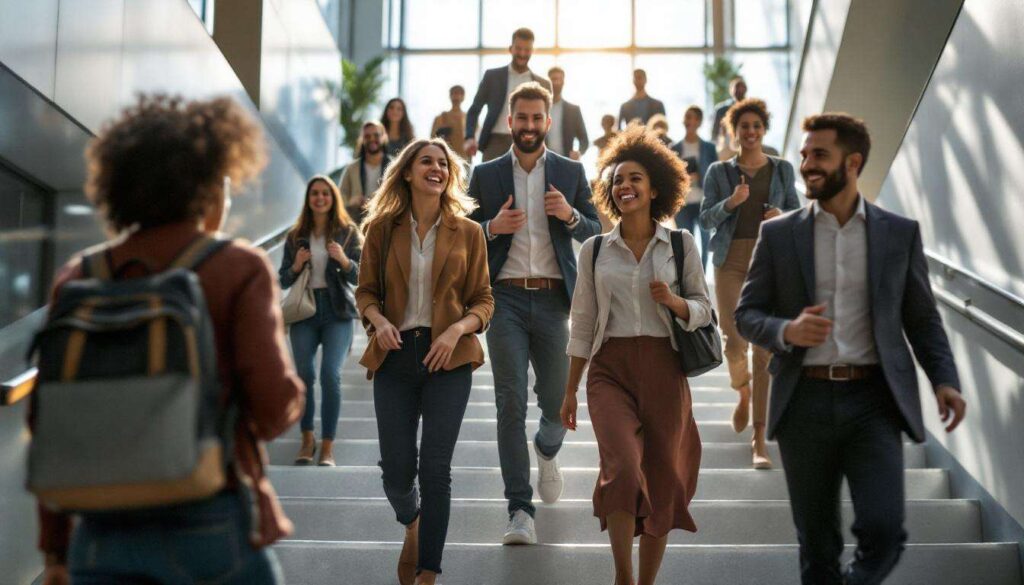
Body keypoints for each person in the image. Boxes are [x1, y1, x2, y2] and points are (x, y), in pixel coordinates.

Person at [34, 94, 304, 585]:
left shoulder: (79, 276)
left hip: (98, 534)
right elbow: (272, 408)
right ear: (206, 186)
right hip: (209, 520)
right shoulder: (237, 267)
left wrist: (55, 552)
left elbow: (48, 420)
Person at [735, 113, 967, 585]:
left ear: (853, 161)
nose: (806, 164)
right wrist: (787, 331)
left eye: (819, 154)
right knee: (817, 545)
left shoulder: (898, 234)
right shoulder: (780, 235)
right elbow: (746, 315)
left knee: (884, 531)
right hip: (805, 403)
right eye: (803, 155)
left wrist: (945, 380)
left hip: (873, 403)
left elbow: (921, 319)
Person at [561, 125, 710, 585]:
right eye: (617, 180)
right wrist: (569, 391)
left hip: (665, 367)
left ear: (655, 189)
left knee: (664, 478)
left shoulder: (681, 244)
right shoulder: (593, 250)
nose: (624, 186)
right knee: (622, 468)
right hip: (610, 369)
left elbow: (705, 310)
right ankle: (622, 577)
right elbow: (583, 322)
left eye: (635, 179)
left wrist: (675, 302)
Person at [467, 82, 602, 544]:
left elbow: (597, 228)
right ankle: (519, 510)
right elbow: (459, 232)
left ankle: (547, 450)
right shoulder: (485, 175)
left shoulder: (570, 170)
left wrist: (568, 215)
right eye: (520, 118)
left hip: (552, 301)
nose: (527, 126)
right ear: (510, 122)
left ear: (547, 121)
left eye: (535, 118)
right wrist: (490, 226)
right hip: (501, 299)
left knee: (554, 404)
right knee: (510, 402)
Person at [355, 138, 494, 585]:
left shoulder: (469, 232)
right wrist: (377, 321)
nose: (436, 168)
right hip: (395, 358)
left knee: (436, 468)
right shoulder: (381, 229)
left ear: (449, 176)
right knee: (397, 471)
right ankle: (411, 522)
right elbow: (365, 293)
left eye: (442, 164)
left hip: (448, 361)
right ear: (409, 173)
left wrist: (456, 330)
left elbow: (484, 300)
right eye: (426, 162)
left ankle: (428, 572)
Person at [699, 98, 800, 469]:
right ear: (734, 130)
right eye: (744, 126)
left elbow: (800, 213)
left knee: (765, 347)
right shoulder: (717, 172)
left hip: (770, 261)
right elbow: (706, 219)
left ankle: (760, 438)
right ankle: (742, 392)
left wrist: (782, 214)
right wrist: (732, 202)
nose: (751, 132)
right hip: (730, 261)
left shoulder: (783, 170)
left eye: (757, 125)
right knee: (733, 336)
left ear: (764, 129)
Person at [279, 175, 362, 467]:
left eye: (325, 193)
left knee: (330, 374)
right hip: (305, 311)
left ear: (333, 197)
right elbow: (283, 278)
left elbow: (361, 276)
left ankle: (327, 446)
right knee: (304, 375)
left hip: (337, 310)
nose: (320, 198)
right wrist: (297, 264)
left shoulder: (348, 232)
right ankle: (306, 440)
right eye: (315, 193)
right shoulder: (295, 235)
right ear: (308, 199)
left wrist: (344, 261)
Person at [465, 28, 552, 162]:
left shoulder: (543, 84)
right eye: (518, 48)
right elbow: (475, 109)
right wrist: (470, 137)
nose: (522, 54)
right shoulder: (492, 76)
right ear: (511, 48)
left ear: (532, 51)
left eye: (527, 50)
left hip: (529, 141)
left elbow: (545, 120)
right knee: (489, 180)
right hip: (495, 141)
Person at [670, 105, 718, 270]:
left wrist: (700, 176)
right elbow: (669, 177)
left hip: (704, 202)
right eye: (686, 117)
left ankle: (701, 279)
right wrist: (684, 178)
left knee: (705, 243)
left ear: (698, 121)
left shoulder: (709, 148)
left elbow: (715, 175)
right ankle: (687, 279)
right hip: (683, 203)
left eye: (691, 117)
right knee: (685, 244)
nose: (687, 121)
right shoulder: (674, 149)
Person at [338, 120, 391, 223]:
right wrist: (351, 201)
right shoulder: (351, 168)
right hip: (356, 223)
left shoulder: (394, 166)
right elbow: (340, 196)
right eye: (367, 136)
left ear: (384, 137)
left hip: (386, 222)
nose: (372, 139)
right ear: (362, 139)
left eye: (376, 135)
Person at [545, 66, 589, 160]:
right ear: (547, 82)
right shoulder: (539, 109)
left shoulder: (573, 110)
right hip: (542, 161)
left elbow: (584, 139)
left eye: (559, 79)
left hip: (566, 161)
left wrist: (579, 152)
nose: (556, 83)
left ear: (563, 82)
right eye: (553, 79)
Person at [431, 85, 467, 159]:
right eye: (453, 93)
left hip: (464, 157)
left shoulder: (468, 118)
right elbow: (433, 138)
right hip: (445, 156)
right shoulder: (441, 118)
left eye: (459, 94)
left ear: (463, 97)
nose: (456, 97)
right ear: (450, 96)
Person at [710, 75, 747, 143]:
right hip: (726, 145)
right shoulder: (721, 110)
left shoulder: (752, 109)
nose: (739, 89)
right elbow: (715, 133)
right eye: (737, 86)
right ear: (731, 90)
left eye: (742, 86)